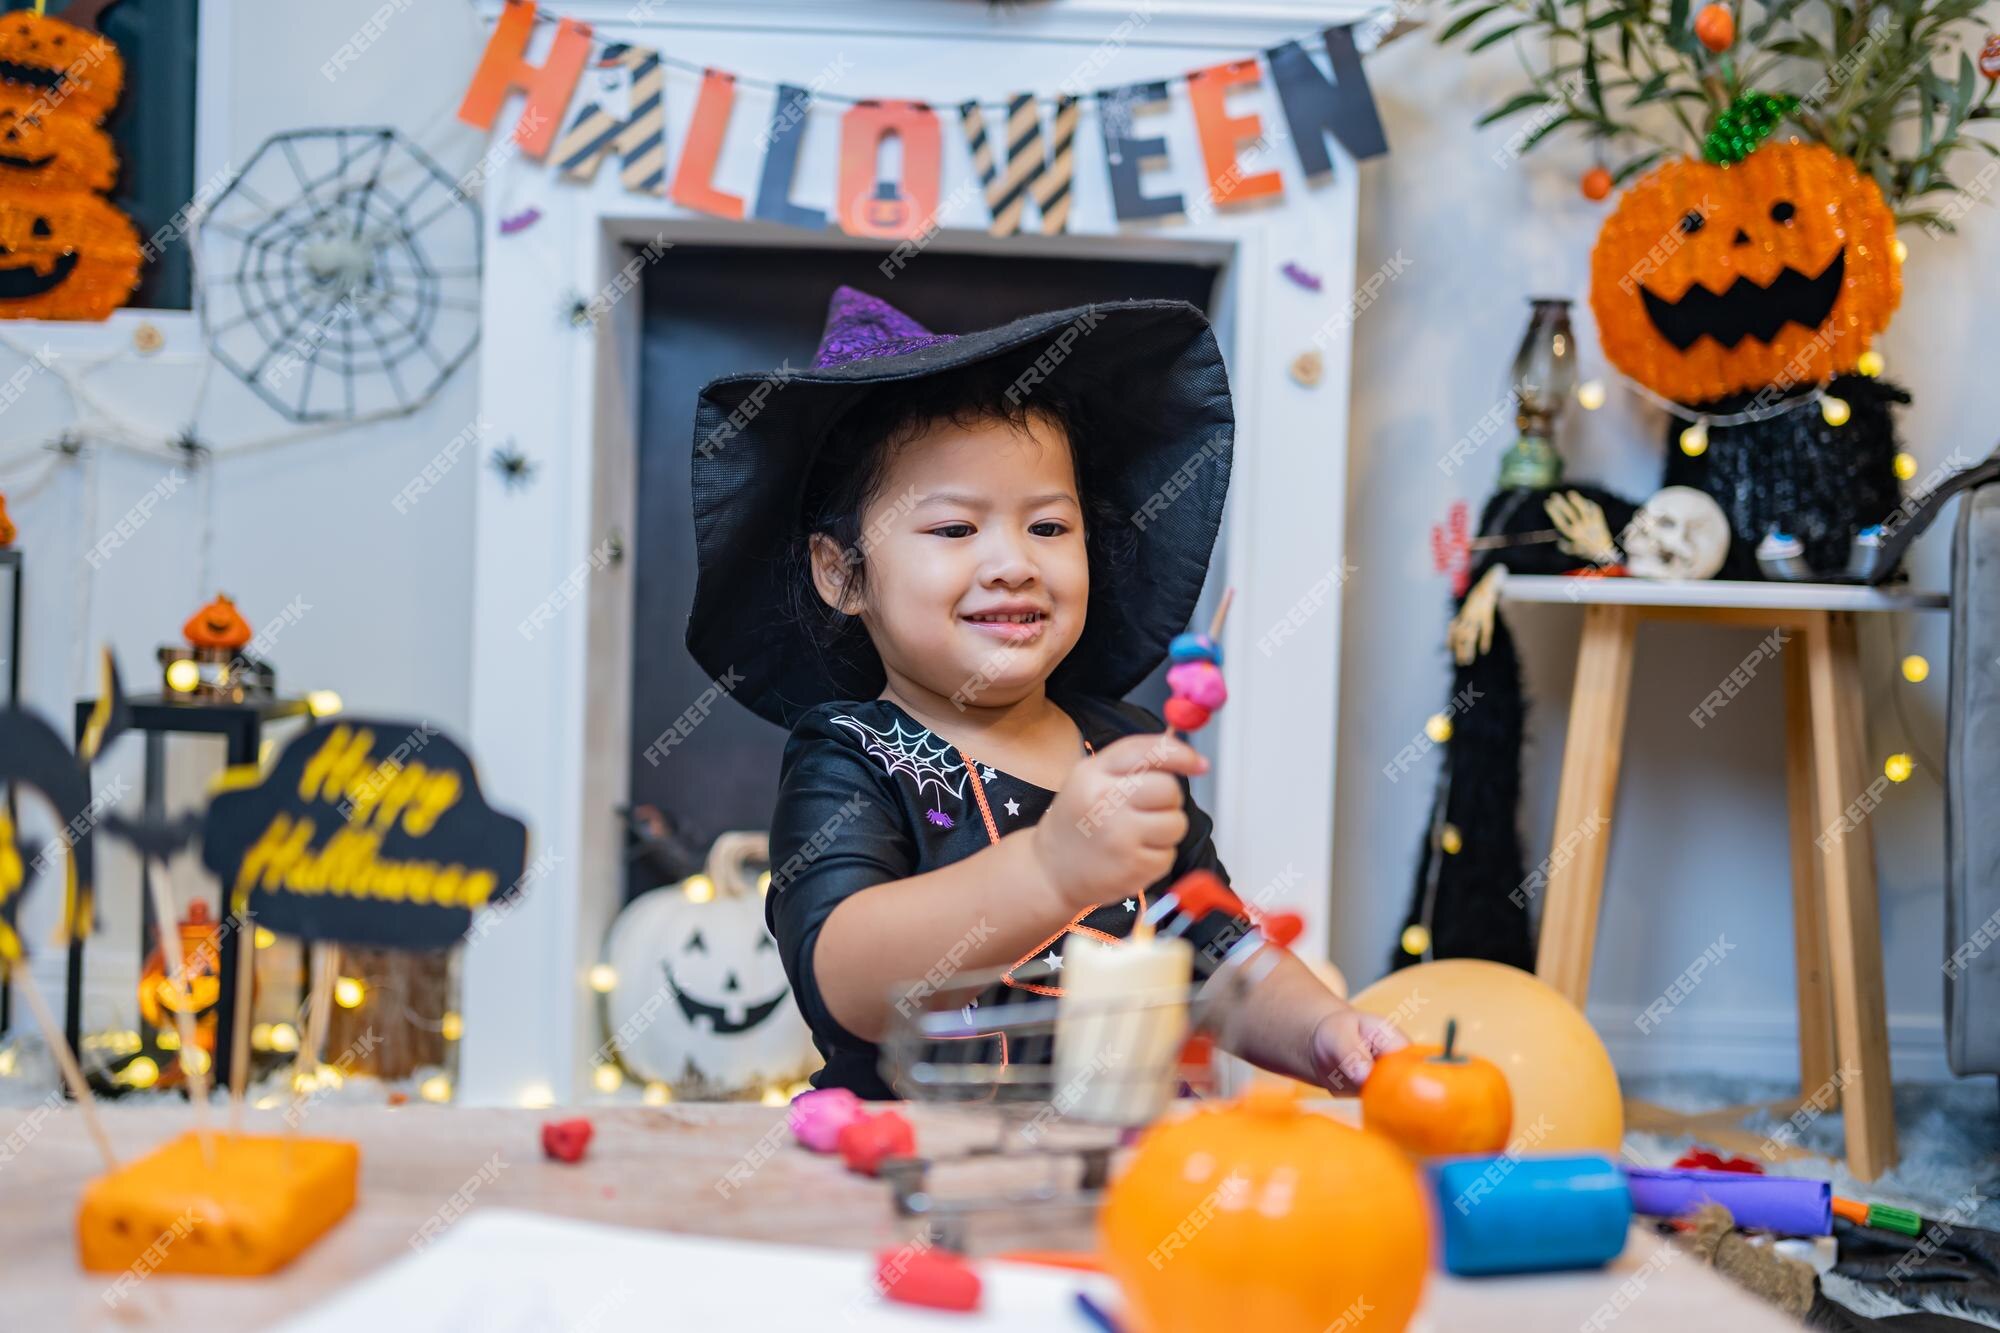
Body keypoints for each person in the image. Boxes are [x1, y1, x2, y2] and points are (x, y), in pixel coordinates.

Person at [686, 285, 1403, 1098]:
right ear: (842, 572)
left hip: (1121, 1172)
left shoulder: (1121, 744)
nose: (1014, 562)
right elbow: (848, 983)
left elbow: (1217, 950)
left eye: (1049, 527)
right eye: (956, 529)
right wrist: (1051, 870)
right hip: (913, 1173)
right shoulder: (853, 754)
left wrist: (1322, 1029)